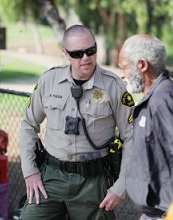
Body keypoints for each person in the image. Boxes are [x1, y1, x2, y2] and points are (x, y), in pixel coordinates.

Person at [19, 24, 133, 220]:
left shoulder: (114, 86)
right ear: (65, 53)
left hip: (93, 181)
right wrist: (30, 172)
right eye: (77, 53)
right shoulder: (49, 80)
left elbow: (131, 136)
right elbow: (28, 125)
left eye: (91, 51)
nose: (86, 58)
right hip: (51, 178)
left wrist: (120, 187)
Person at [118, 34, 173, 220]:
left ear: (142, 65)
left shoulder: (165, 99)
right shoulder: (154, 98)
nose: (122, 74)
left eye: (124, 67)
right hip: (154, 213)